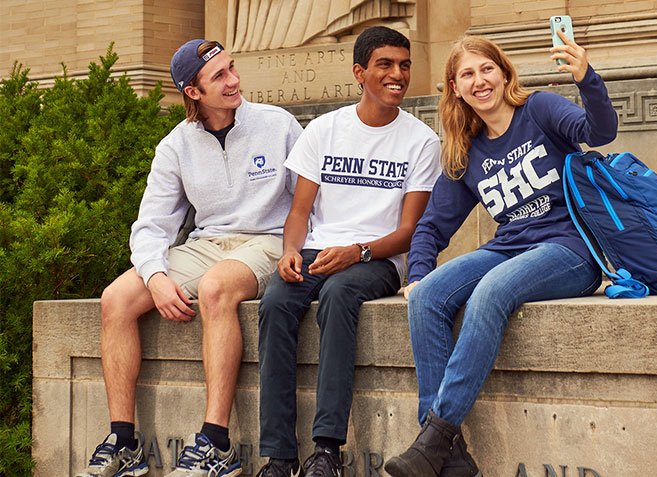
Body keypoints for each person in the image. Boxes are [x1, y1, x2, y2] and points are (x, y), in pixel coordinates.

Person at [384, 30, 618, 477]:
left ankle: (433, 441)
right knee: (431, 295)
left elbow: (599, 131)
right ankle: (449, 459)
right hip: (510, 247)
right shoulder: (466, 147)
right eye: (467, 74)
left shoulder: (541, 110)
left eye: (487, 68)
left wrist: (587, 77)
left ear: (504, 72)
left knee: (489, 292)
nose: (479, 80)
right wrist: (417, 274)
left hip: (570, 249)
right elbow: (432, 225)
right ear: (455, 88)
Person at [77, 39, 303, 477]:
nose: (234, 80)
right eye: (219, 76)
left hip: (268, 239)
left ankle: (215, 445)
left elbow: (308, 200)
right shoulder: (176, 146)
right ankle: (124, 445)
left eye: (232, 68)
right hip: (207, 243)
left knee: (217, 286)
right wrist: (156, 276)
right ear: (193, 92)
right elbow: (151, 225)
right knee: (116, 299)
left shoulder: (278, 125)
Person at [255, 26, 441, 477]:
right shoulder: (324, 130)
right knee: (276, 301)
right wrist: (289, 251)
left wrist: (357, 252)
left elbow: (409, 231)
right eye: (385, 64)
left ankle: (326, 450)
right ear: (360, 72)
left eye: (404, 65)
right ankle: (279, 455)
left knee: (339, 295)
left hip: (378, 259)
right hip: (319, 249)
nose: (397, 74)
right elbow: (299, 211)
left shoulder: (421, 141)